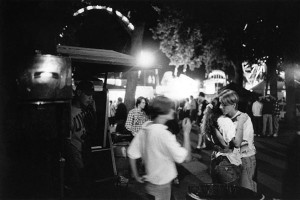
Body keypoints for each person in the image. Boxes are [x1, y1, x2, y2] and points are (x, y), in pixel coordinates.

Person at [127, 96, 192, 200]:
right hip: (162, 187)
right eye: (171, 108)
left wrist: (136, 175)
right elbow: (186, 158)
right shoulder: (164, 134)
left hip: (151, 183)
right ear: (163, 111)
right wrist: (186, 133)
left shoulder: (145, 128)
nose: (173, 110)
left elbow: (131, 153)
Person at [219, 89, 257, 192]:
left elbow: (242, 144)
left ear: (234, 105)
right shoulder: (224, 118)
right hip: (232, 159)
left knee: (247, 192)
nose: (221, 107)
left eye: (224, 105)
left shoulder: (244, 118)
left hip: (245, 158)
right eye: (220, 104)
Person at [202, 97, 246, 185]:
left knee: (219, 192)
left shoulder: (210, 119)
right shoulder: (224, 121)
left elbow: (208, 142)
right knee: (230, 193)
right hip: (228, 161)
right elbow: (232, 144)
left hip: (216, 158)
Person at [64, 80, 96, 195]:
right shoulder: (69, 113)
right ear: (78, 93)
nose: (90, 98)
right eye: (88, 94)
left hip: (87, 155)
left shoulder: (88, 110)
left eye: (92, 95)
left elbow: (93, 132)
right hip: (76, 158)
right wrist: (74, 162)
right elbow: (66, 141)